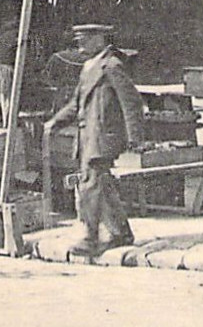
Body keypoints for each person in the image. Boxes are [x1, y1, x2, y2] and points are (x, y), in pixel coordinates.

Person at [46, 23, 145, 256]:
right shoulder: (89, 66)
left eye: (84, 40)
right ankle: (122, 233)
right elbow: (76, 103)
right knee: (103, 185)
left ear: (99, 39)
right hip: (87, 135)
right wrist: (56, 122)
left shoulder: (111, 65)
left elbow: (131, 102)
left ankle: (90, 237)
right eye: (78, 41)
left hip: (103, 136)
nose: (79, 46)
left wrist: (135, 137)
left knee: (90, 185)